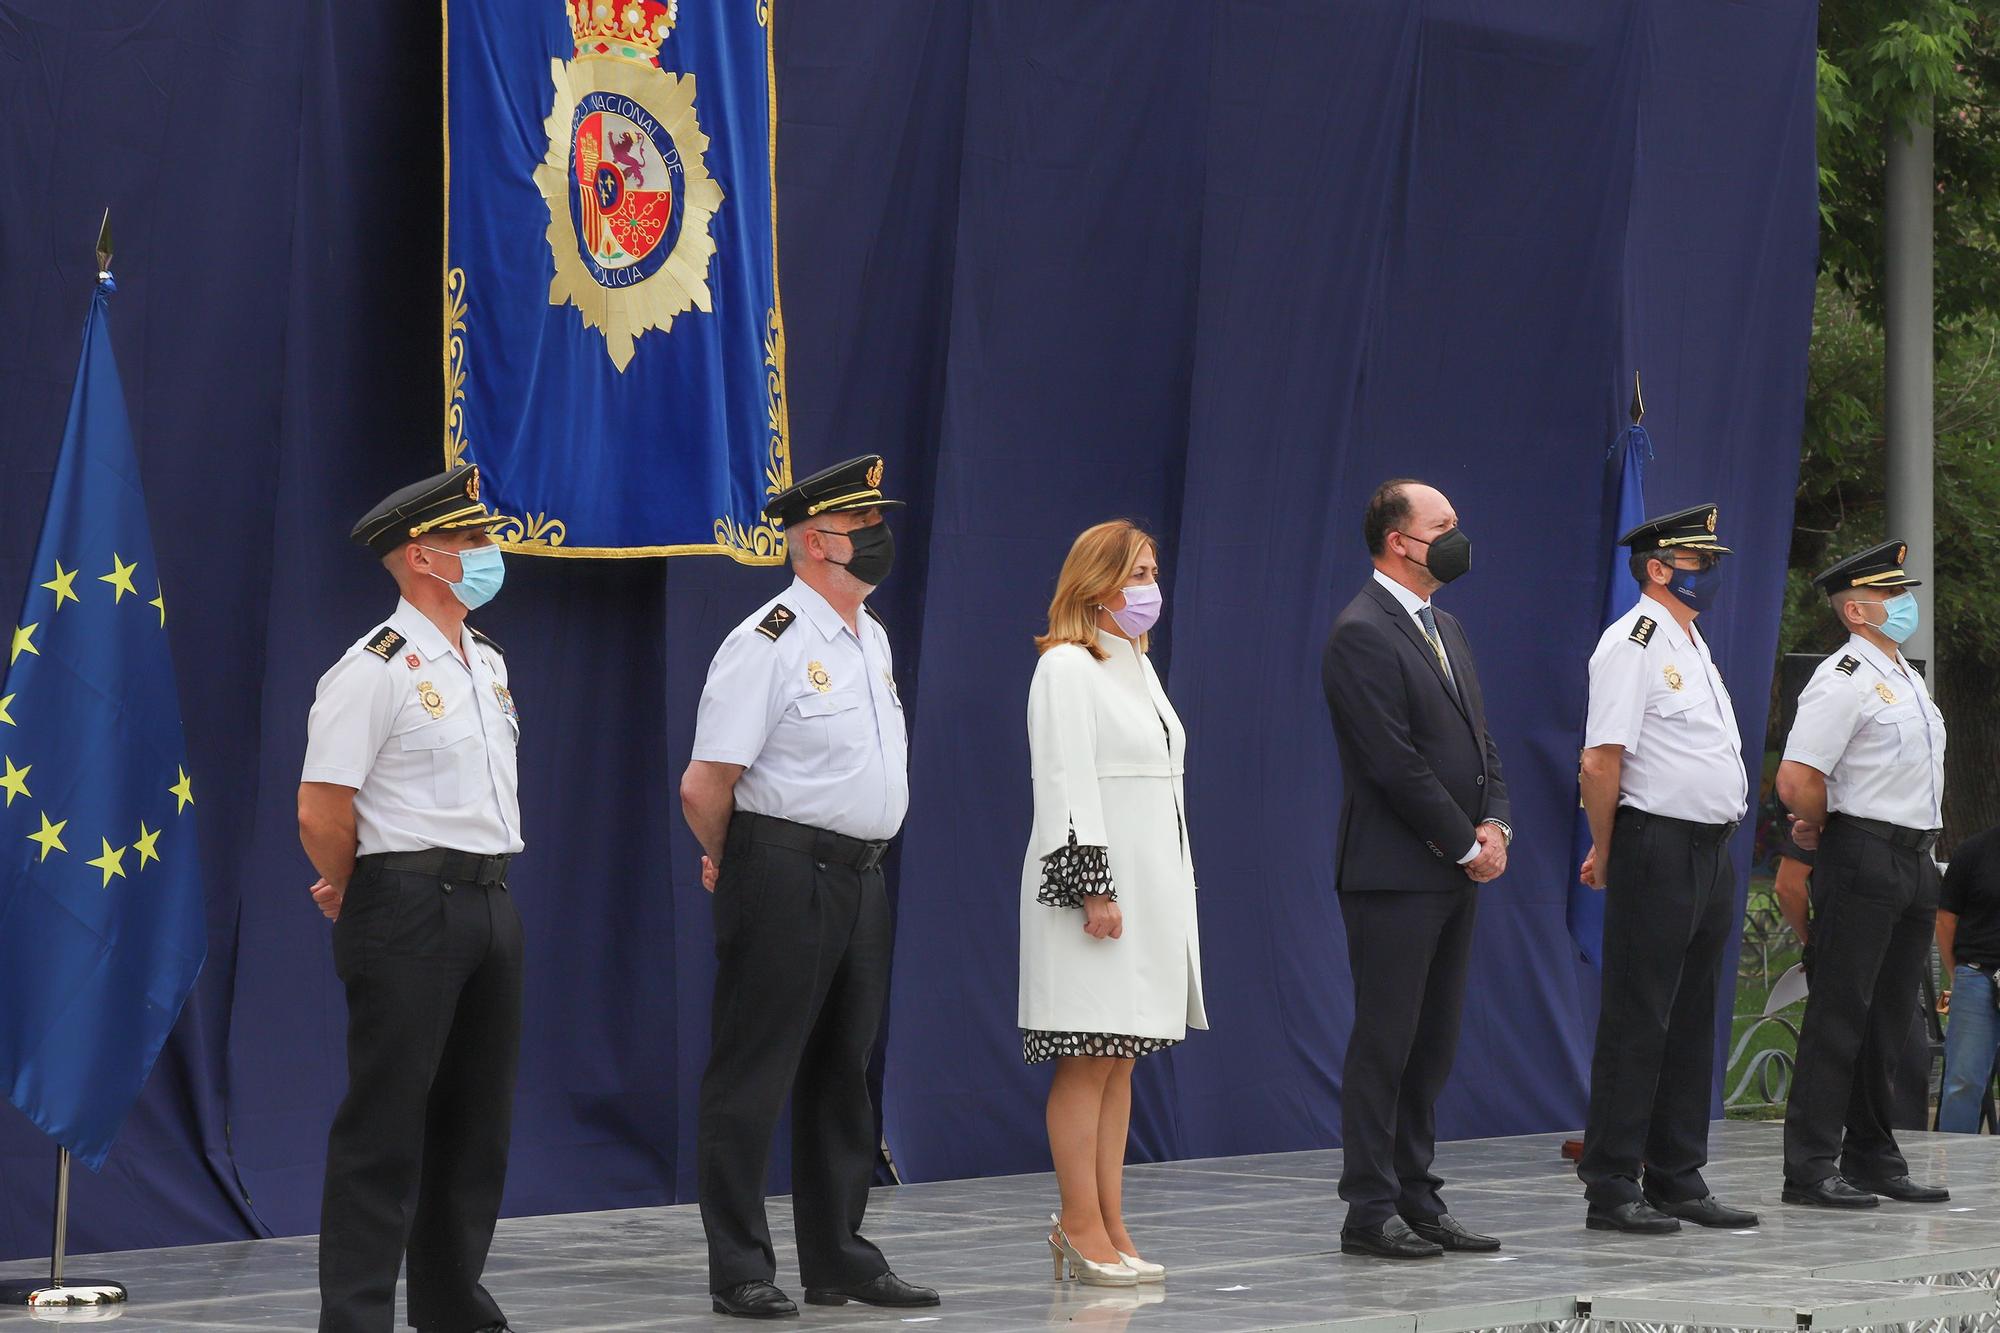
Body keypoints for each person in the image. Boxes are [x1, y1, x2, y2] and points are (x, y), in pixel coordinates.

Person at [680, 454, 938, 1320]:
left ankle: (839, 1256)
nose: (878, 539)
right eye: (862, 527)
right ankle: (741, 1264)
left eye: (877, 523)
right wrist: (734, 857)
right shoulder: (769, 641)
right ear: (816, 542)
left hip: (862, 876)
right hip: (784, 868)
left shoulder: (871, 635)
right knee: (754, 1069)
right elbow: (705, 782)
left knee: (843, 1072)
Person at [299, 464, 523, 1333]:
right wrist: (363, 888)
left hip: (491, 899)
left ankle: (450, 1300)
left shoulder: (487, 661)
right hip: (407, 900)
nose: (489, 553)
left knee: (478, 1120)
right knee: (386, 1124)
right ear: (424, 556)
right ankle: (356, 1316)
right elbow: (322, 804)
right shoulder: (375, 667)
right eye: (471, 541)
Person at [1322, 479, 1511, 1260]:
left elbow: (1479, 743)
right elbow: (1393, 763)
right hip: (1396, 872)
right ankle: (1369, 1206)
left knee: (1433, 1042)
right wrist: (1464, 844)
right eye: (1443, 526)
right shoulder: (1360, 632)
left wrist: (1495, 821)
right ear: (1400, 540)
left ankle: (1417, 1194)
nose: (1457, 537)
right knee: (1387, 1041)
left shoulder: (1447, 627)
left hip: (1452, 871)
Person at [1018, 521, 1208, 1288]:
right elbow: (1065, 779)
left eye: (1154, 570)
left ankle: (1110, 1217)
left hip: (1148, 890)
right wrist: (1091, 884)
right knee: (1087, 1056)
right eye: (1136, 572)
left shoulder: (1135, 666)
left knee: (1120, 1058)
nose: (1150, 587)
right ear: (1096, 582)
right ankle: (1078, 1219)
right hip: (1094, 892)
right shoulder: (1067, 666)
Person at [1575, 503, 1758, 1234]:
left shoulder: (1691, 642)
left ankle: (1677, 1173)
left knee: (1690, 1017)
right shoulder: (1635, 640)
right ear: (1659, 567)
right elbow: (1602, 758)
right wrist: (1610, 845)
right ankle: (1613, 1181)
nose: (1710, 572)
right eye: (1699, 560)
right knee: (1637, 1015)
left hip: (1709, 848)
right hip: (1656, 843)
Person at [1777, 538, 1949, 1206]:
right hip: (1864, 849)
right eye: (1890, 595)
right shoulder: (1842, 676)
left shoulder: (1905, 674)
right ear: (1855, 609)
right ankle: (1811, 1163)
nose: (1904, 604)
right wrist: (1827, 823)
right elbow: (1797, 778)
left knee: (1890, 1013)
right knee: (1841, 1009)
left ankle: (1873, 1150)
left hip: (1912, 855)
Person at [1936, 822, 2000, 1132]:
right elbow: (1946, 918)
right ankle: (1958, 1162)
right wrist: (1957, 975)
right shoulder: (1973, 851)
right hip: (1977, 975)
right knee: (1963, 1081)